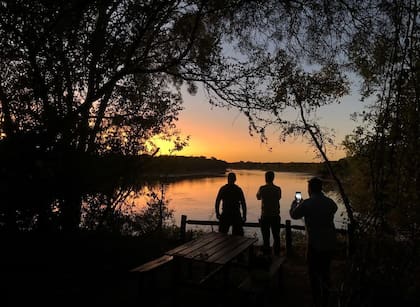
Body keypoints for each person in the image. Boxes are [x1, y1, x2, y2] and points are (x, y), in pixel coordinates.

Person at [289, 177, 338, 307]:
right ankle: (326, 298)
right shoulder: (330, 202)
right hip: (329, 242)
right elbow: (334, 209)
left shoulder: (307, 204)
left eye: (308, 188)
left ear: (310, 189)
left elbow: (294, 215)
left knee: (313, 272)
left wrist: (295, 203)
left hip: (315, 244)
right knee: (325, 271)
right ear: (321, 188)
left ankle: (317, 300)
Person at [256, 171, 282, 256]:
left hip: (265, 216)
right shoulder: (278, 189)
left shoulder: (262, 188)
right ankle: (276, 254)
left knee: (265, 237)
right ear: (273, 178)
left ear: (265, 178)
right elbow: (279, 197)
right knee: (276, 237)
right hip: (275, 216)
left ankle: (267, 255)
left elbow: (258, 197)